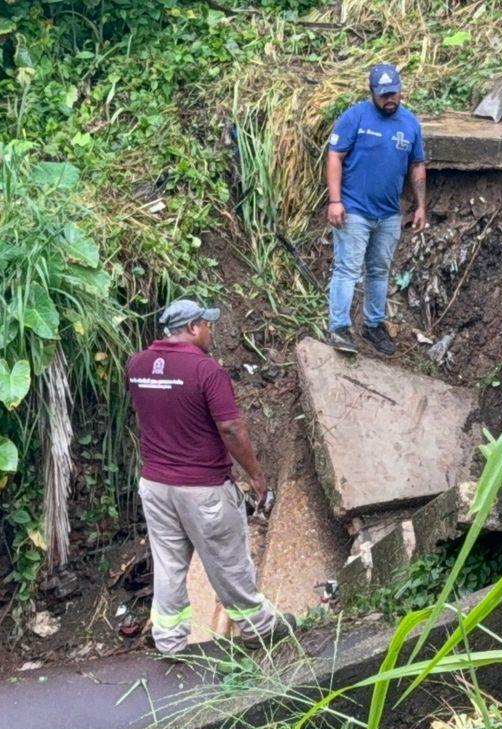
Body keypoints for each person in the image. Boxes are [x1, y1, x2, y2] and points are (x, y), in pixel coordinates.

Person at [126, 298, 290, 655]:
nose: (210, 331)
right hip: (203, 489)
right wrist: (256, 476)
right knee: (228, 561)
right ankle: (259, 628)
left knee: (168, 565)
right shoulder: (206, 370)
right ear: (191, 327)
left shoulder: (136, 365)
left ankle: (169, 641)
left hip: (155, 486)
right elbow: (230, 428)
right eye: (207, 324)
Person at [325, 62, 428, 357]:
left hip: (389, 213)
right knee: (347, 268)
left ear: (400, 90)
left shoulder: (410, 124)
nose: (389, 99)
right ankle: (339, 327)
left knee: (379, 270)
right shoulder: (355, 116)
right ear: (372, 92)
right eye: (383, 94)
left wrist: (421, 206)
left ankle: (373, 324)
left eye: (393, 93)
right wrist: (335, 200)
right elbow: (335, 156)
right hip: (354, 209)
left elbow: (417, 165)